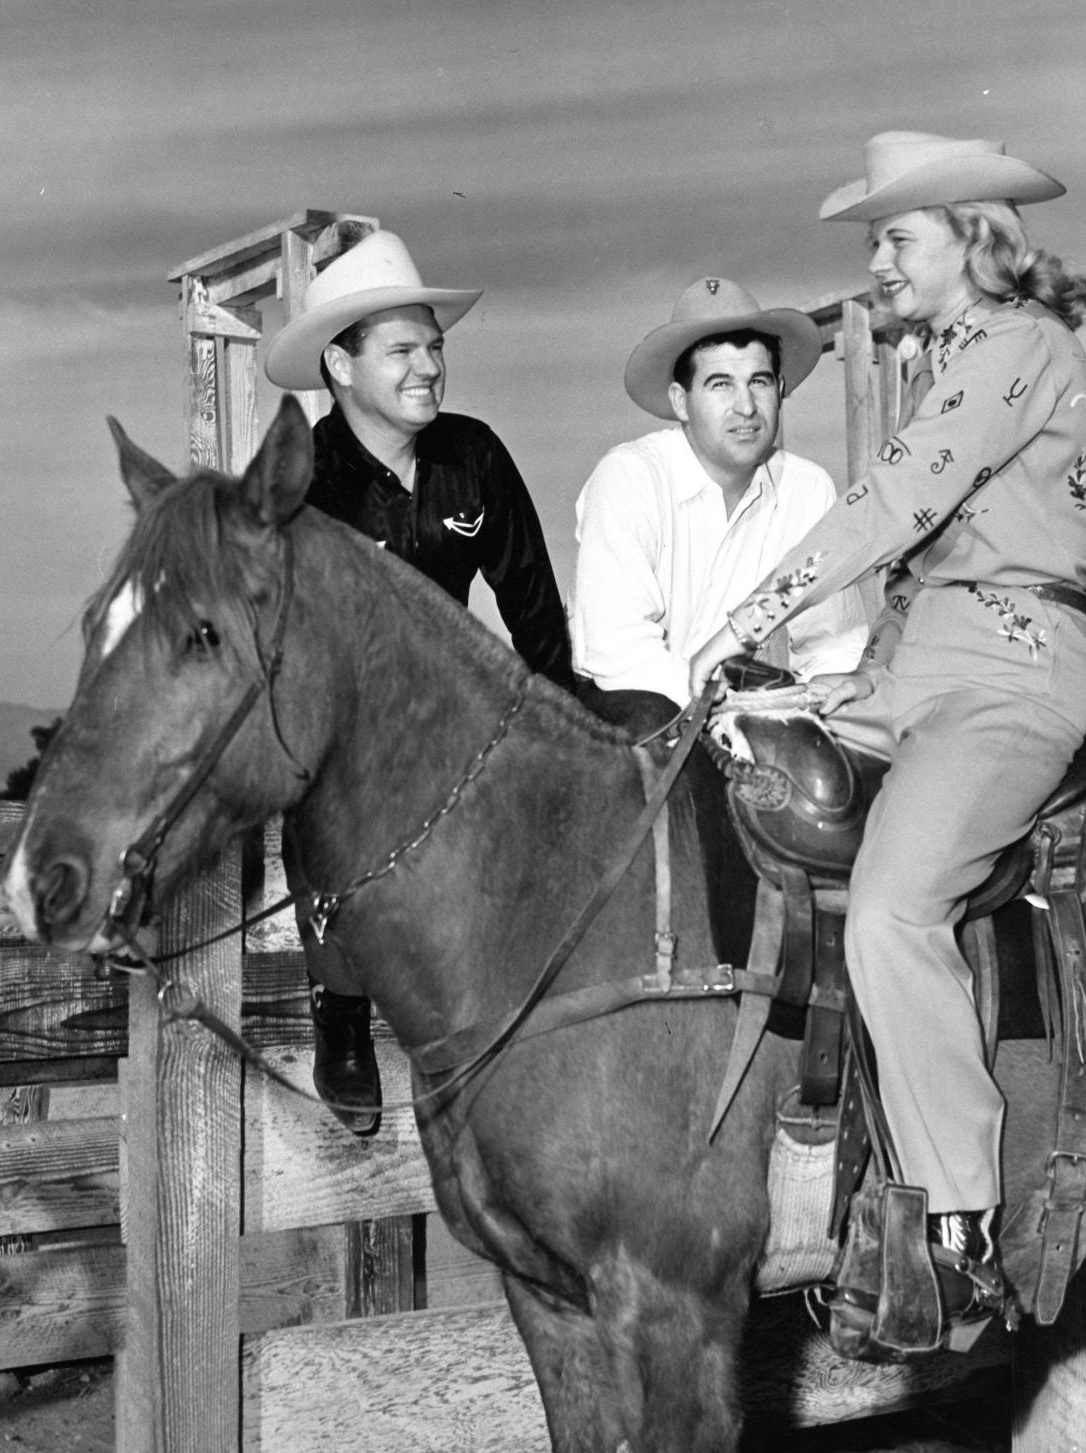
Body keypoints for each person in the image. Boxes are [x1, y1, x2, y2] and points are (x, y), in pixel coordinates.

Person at [690, 131, 1086, 1330]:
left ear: (974, 241)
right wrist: (803, 690)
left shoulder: (1023, 346)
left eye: (896, 236)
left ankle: (959, 1220)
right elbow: (918, 576)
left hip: (1012, 675)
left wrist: (751, 613)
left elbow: (899, 499)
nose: (877, 258)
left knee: (891, 902)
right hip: (912, 667)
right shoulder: (955, 358)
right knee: (740, 770)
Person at [265, 229, 575, 1133]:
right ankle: (342, 1011)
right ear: (340, 365)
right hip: (345, 722)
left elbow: (534, 608)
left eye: (435, 345)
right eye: (403, 350)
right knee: (323, 797)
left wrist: (558, 722)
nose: (430, 367)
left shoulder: (471, 456)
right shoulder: (306, 481)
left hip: (459, 708)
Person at [573, 277, 868, 735]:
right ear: (681, 402)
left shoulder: (807, 489)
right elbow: (616, 650)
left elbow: (834, 642)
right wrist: (730, 712)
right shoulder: (630, 476)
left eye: (759, 381)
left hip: (736, 711)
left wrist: (823, 699)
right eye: (720, 384)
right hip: (625, 713)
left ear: (781, 388)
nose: (746, 406)